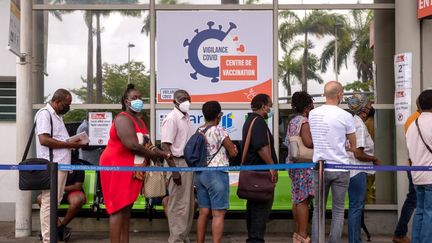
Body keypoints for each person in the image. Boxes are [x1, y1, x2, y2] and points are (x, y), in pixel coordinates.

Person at [100, 84, 172, 243]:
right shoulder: (122, 119)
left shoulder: (139, 121)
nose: (138, 100)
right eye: (134, 98)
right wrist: (155, 154)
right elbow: (132, 145)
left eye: (140, 98)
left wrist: (163, 154)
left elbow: (147, 144)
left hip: (133, 168)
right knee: (117, 209)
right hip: (117, 167)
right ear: (126, 101)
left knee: (126, 209)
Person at [309, 81, 357, 243]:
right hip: (340, 167)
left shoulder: (313, 114)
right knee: (338, 211)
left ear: (324, 94)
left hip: (319, 167)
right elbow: (353, 145)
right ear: (340, 94)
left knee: (318, 210)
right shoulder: (346, 116)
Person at [35, 89, 85, 243]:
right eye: (66, 104)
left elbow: (58, 139)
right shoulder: (45, 114)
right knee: (49, 203)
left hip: (60, 166)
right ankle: (48, 239)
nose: (68, 107)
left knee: (53, 202)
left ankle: (51, 237)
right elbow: (44, 140)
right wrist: (68, 144)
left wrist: (70, 143)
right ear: (57, 102)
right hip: (52, 166)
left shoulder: (57, 116)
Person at [194, 101, 238, 243]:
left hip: (200, 174)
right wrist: (234, 149)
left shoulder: (199, 130)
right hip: (216, 174)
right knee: (218, 214)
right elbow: (232, 152)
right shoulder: (219, 130)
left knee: (203, 212)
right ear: (219, 115)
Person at [242, 93, 278, 243]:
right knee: (260, 209)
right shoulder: (259, 122)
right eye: (269, 105)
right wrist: (272, 167)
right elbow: (261, 147)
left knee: (254, 208)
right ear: (263, 106)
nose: (270, 109)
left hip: (253, 174)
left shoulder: (250, 120)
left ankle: (253, 237)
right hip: (260, 175)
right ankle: (255, 239)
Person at [161, 89, 195, 243]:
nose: (185, 101)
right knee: (178, 206)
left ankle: (183, 237)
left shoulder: (186, 118)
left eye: (187, 98)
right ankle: (175, 240)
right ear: (174, 102)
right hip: (176, 163)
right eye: (182, 99)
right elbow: (165, 146)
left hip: (187, 164)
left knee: (187, 205)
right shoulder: (172, 118)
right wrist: (174, 171)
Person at [346, 94, 381, 243]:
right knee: (356, 208)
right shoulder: (358, 125)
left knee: (355, 208)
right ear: (364, 108)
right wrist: (374, 159)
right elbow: (358, 153)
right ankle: (354, 240)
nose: (370, 107)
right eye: (369, 104)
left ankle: (355, 239)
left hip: (352, 170)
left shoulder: (351, 122)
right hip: (357, 171)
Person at [285, 91, 314, 243]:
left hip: (293, 164)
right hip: (304, 165)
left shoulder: (292, 121)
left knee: (297, 199)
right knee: (303, 199)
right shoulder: (303, 121)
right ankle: (303, 234)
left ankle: (297, 233)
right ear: (307, 106)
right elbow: (308, 143)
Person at [392, 100, 421, 243]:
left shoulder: (411, 118)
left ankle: (401, 232)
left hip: (414, 164)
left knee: (414, 199)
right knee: (415, 200)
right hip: (420, 166)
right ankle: (400, 233)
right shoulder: (418, 119)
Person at [37, 160, 87, 241]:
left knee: (77, 200)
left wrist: (60, 188)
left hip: (71, 192)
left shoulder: (77, 164)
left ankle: (59, 227)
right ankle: (60, 229)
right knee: (40, 199)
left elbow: (77, 186)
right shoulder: (52, 164)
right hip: (56, 191)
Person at [406, 89, 432, 243]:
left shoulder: (412, 125)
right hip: (430, 176)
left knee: (420, 211)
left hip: (417, 175)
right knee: (430, 212)